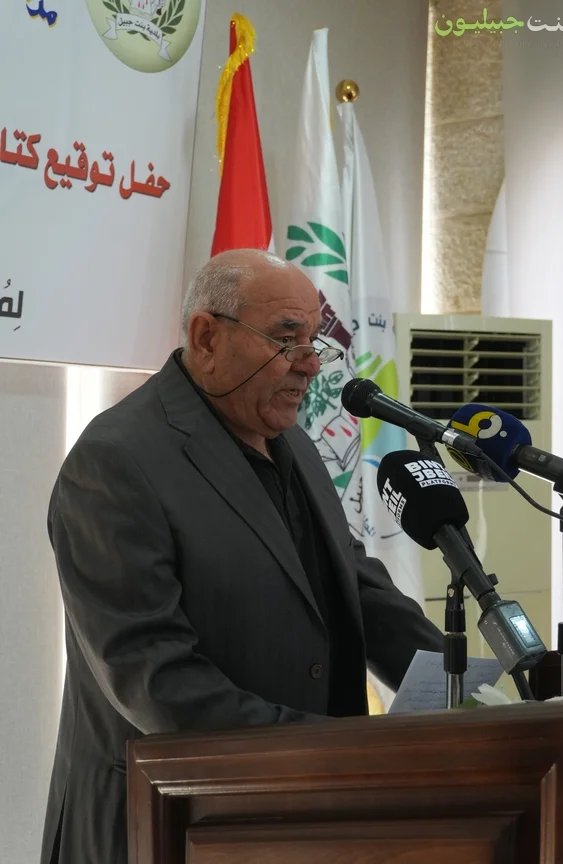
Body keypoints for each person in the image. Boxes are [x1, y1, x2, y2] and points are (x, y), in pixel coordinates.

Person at [41, 248, 443, 864]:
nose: (311, 364)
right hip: (162, 821)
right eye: (287, 339)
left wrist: (468, 683)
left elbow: (352, 586)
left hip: (289, 809)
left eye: (316, 341)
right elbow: (156, 679)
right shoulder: (115, 461)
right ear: (207, 336)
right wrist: (337, 749)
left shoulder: (292, 442)